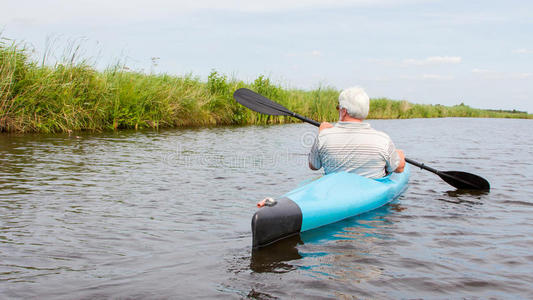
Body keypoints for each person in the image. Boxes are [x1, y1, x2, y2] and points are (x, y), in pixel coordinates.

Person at [308, 87, 405, 178]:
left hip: (336, 191)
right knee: (398, 156)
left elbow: (314, 166)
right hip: (370, 191)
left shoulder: (324, 136)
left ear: (344, 111)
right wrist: (399, 156)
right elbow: (399, 169)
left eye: (338, 108)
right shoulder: (383, 139)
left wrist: (322, 133)